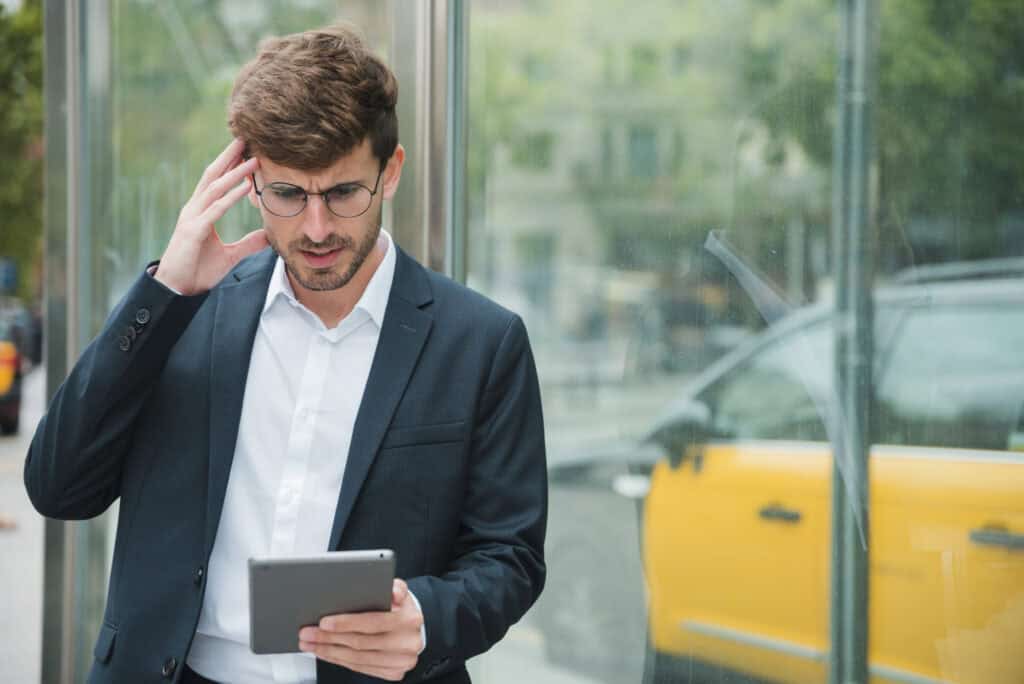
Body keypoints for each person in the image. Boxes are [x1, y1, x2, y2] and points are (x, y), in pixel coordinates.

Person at [24, 24, 546, 684]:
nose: (317, 227)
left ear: (391, 172)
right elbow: (58, 486)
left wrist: (424, 616)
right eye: (289, 194)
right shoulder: (182, 312)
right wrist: (165, 292)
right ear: (250, 182)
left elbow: (511, 556)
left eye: (342, 193)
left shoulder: (482, 340)